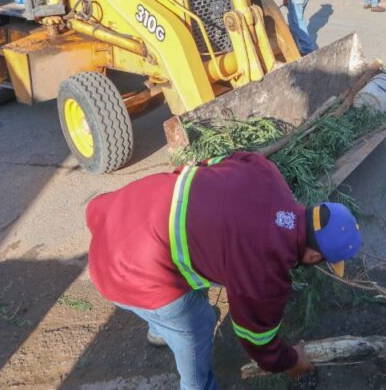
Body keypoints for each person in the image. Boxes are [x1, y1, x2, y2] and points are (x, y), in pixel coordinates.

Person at [86, 151, 361, 388]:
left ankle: (160, 329)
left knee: (199, 253)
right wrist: (292, 361)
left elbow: (205, 164)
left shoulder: (263, 170)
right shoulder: (266, 271)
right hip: (125, 272)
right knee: (196, 323)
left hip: (122, 212)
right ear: (313, 256)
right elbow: (257, 341)